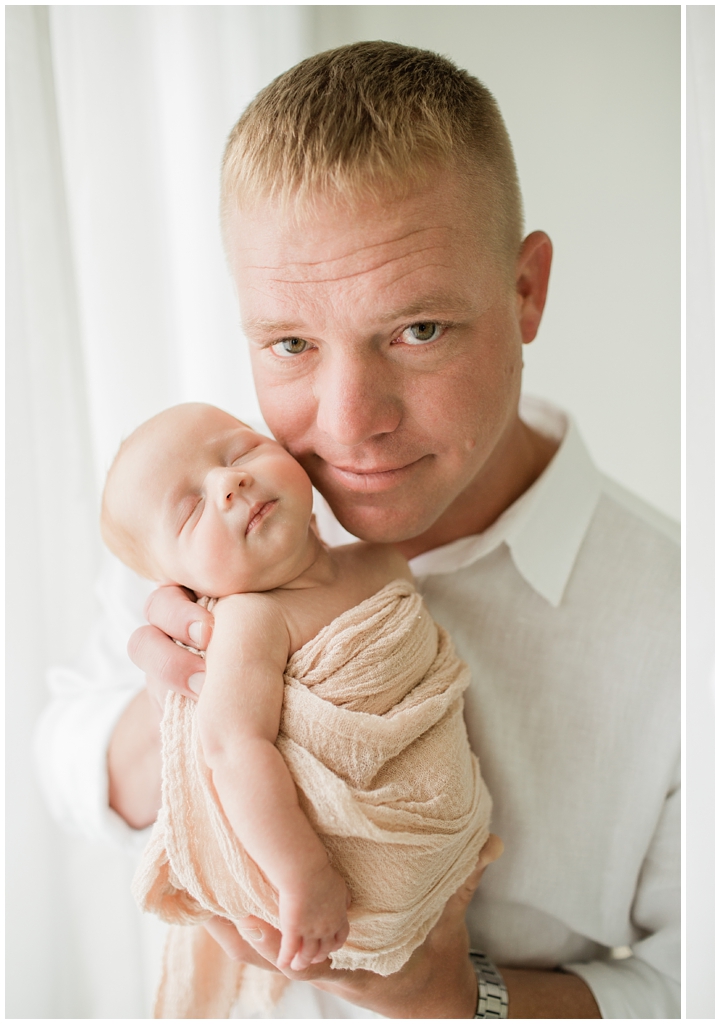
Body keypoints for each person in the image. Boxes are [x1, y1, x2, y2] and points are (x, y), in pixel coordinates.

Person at [36, 42, 678, 1018]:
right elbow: (64, 764)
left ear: (526, 291)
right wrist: (181, 697)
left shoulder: (672, 607)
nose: (348, 424)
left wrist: (461, 999)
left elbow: (693, 982)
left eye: (416, 330)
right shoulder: (200, 530)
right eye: (290, 344)